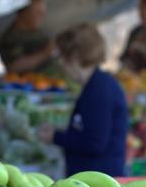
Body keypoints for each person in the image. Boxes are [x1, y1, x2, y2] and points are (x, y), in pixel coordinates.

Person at [38, 23, 128, 177]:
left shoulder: (99, 89)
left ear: (75, 57)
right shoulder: (96, 84)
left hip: (99, 181)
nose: (61, 64)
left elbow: (95, 143)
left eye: (63, 57)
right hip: (95, 177)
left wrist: (56, 136)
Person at [0, 0, 57, 74]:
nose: (42, 15)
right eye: (38, 12)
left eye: (42, 12)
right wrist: (45, 53)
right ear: (24, 12)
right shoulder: (12, 38)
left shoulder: (38, 32)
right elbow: (13, 66)